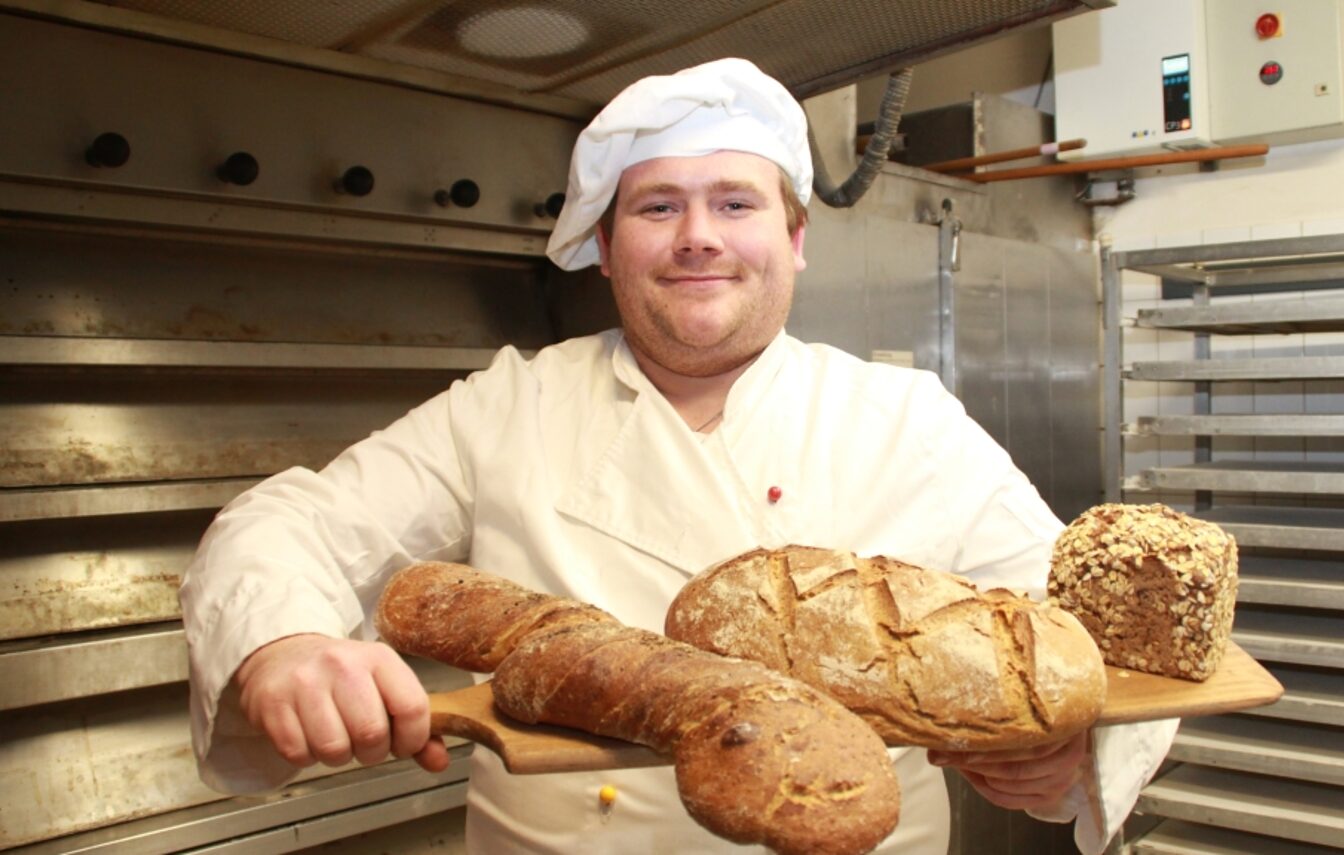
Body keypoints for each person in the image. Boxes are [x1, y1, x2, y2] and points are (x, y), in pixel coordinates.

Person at [181, 57, 1176, 853]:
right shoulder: (507, 405)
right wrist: (284, 642)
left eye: (735, 204)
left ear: (793, 240)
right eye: (657, 207)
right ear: (607, 247)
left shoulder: (900, 416)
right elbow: (291, 520)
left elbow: (1081, 636)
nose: (697, 236)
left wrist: (1079, 753)